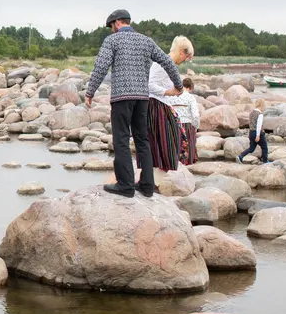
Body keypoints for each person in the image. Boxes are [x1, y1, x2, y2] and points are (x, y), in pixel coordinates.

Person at [85, 10, 184, 198]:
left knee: (121, 139)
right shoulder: (146, 41)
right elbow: (167, 61)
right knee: (142, 140)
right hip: (142, 98)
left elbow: (100, 67)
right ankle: (147, 185)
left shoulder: (112, 41)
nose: (111, 30)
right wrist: (178, 85)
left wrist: (90, 92)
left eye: (111, 26)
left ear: (117, 23)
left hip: (122, 97)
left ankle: (125, 185)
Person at [147, 36, 195, 172]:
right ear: (181, 52)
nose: (185, 60)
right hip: (155, 106)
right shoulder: (161, 63)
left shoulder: (169, 64)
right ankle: (157, 176)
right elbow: (149, 84)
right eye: (186, 57)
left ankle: (163, 174)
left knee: (172, 140)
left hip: (163, 105)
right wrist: (168, 92)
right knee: (164, 143)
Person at [171, 77, 201, 165]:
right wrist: (196, 126)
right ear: (190, 88)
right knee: (188, 146)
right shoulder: (190, 97)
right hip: (187, 125)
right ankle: (187, 164)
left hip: (174, 125)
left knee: (175, 146)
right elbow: (195, 115)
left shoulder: (172, 96)